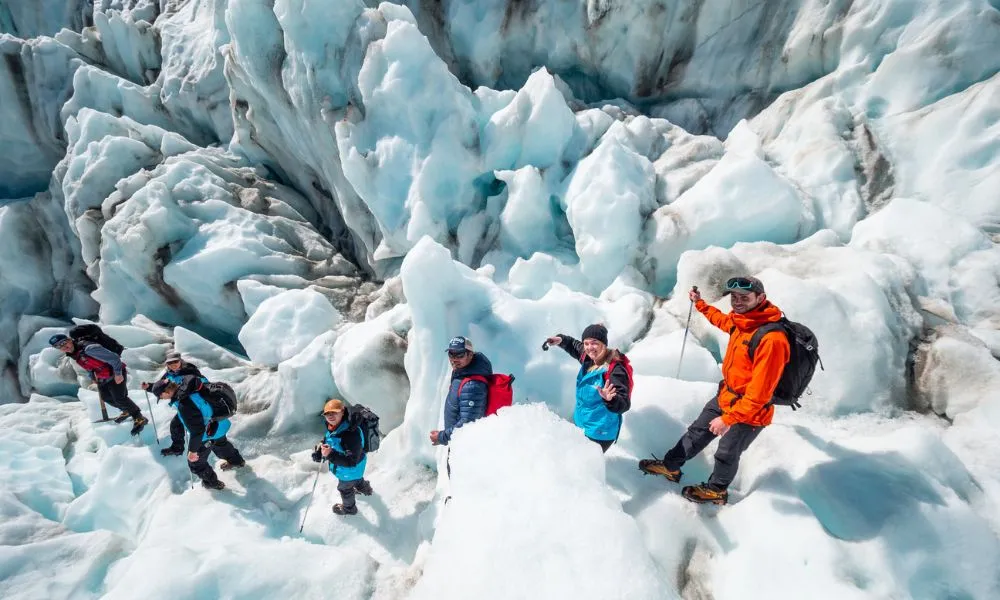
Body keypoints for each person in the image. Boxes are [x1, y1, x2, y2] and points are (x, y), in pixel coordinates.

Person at [639, 276, 791, 505]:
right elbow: (721, 320)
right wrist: (700, 304)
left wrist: (728, 419)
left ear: (760, 298)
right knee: (697, 432)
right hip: (727, 395)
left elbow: (759, 395)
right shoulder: (742, 321)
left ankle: (716, 491)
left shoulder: (771, 340)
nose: (737, 302)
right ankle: (670, 467)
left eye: (745, 297)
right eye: (735, 297)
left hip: (751, 411)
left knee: (727, 452)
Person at [545, 324, 631, 452]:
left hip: (600, 432)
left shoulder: (615, 370)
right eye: (586, 343)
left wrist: (611, 400)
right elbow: (574, 345)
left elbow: (624, 403)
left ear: (604, 344)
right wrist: (561, 339)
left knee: (580, 465)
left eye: (594, 343)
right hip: (583, 423)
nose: (590, 348)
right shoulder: (589, 358)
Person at [49, 333, 148, 435]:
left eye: (64, 343)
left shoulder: (89, 349)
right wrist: (92, 376)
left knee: (120, 398)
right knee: (106, 397)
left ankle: (139, 417)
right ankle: (127, 410)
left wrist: (118, 374)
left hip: (114, 372)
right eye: (58, 346)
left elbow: (114, 358)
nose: (63, 347)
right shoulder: (75, 353)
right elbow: (89, 365)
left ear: (69, 340)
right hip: (102, 376)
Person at [158, 376, 245, 490]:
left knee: (196, 463)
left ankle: (212, 483)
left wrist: (192, 451)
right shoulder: (189, 387)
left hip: (207, 434)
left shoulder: (184, 403)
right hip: (219, 424)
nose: (162, 398)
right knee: (221, 445)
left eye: (160, 396)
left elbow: (197, 431)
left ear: (167, 392)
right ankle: (237, 461)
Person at [311, 399, 373, 516]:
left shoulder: (350, 434)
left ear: (342, 412)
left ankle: (349, 509)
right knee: (357, 479)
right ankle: (366, 489)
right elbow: (330, 441)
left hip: (349, 470)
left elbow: (351, 461)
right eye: (327, 414)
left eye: (334, 412)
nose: (330, 416)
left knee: (345, 489)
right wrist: (320, 452)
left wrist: (330, 454)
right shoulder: (335, 427)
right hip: (354, 469)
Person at [429, 336, 493, 448]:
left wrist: (442, 437)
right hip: (458, 444)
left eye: (460, 354)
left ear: (470, 354)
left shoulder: (472, 385)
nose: (454, 359)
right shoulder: (462, 375)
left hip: (466, 448)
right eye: (451, 354)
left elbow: (468, 424)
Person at [143, 350, 207, 457]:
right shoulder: (169, 374)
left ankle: (196, 452)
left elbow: (201, 383)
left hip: (195, 405)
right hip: (184, 405)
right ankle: (178, 448)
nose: (173, 365)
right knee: (176, 425)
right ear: (166, 364)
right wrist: (149, 386)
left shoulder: (190, 371)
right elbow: (161, 387)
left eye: (175, 362)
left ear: (180, 361)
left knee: (196, 429)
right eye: (170, 363)